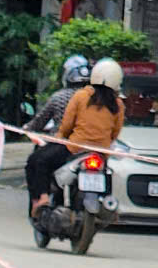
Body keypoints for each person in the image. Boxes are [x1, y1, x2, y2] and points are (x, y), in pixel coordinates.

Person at [40, 58, 126, 218]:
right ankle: (106, 202)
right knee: (107, 174)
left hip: (76, 149)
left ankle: (47, 202)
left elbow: (67, 125)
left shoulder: (81, 96)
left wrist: (62, 137)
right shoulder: (118, 104)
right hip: (101, 152)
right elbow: (115, 132)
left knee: (44, 163)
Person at [24, 55, 94, 213]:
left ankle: (41, 198)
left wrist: (27, 128)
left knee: (36, 161)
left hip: (66, 146)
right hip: (95, 146)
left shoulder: (60, 97)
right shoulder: (98, 98)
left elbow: (39, 121)